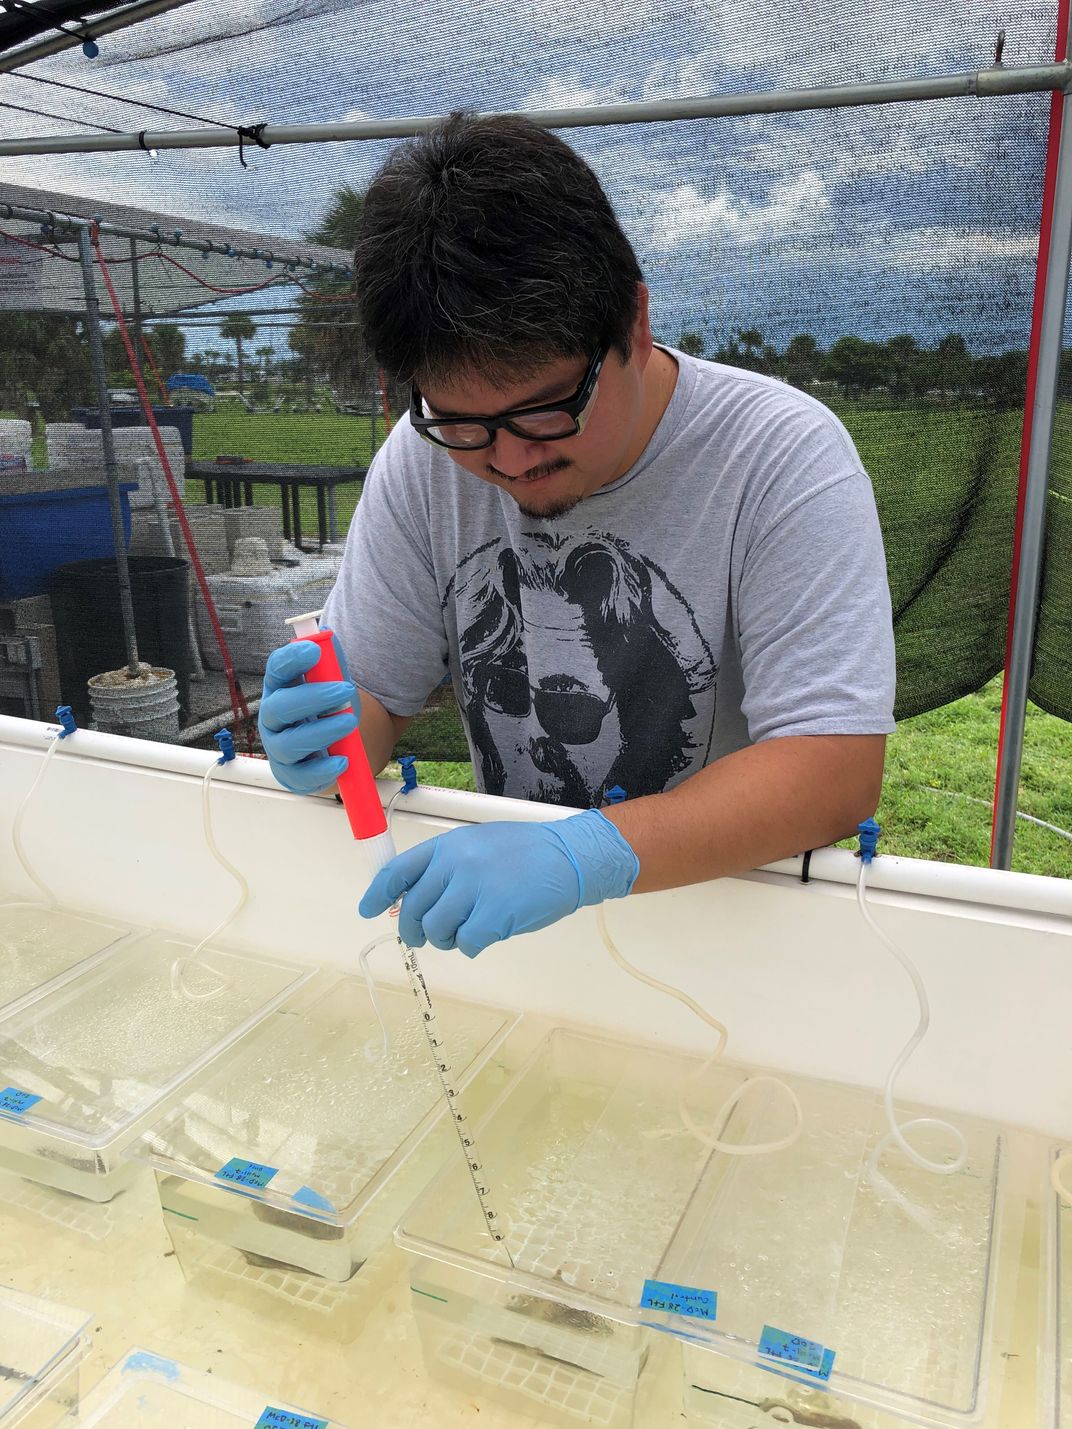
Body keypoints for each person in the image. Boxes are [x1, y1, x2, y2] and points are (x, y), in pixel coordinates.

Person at [259, 112, 896, 958]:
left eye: (548, 408)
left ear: (631, 323)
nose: (513, 459)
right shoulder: (424, 461)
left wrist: (584, 851)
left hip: (736, 926)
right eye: (465, 423)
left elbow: (831, 767)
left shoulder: (779, 454)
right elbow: (368, 710)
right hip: (529, 944)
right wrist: (323, 736)